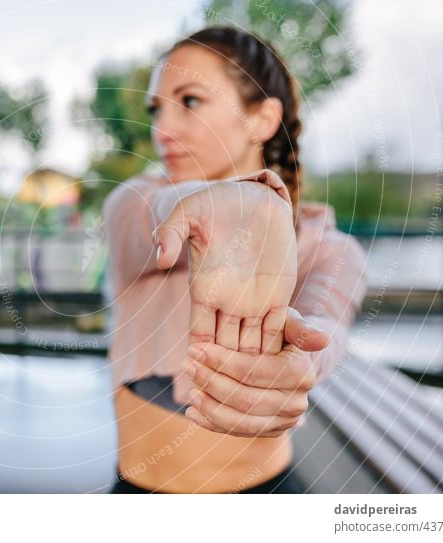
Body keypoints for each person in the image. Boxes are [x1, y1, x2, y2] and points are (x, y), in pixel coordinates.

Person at [102, 26, 367, 493]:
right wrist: (225, 202)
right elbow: (151, 215)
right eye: (156, 109)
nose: (162, 129)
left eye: (190, 100)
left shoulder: (330, 248)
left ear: (262, 119)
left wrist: (305, 363)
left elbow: (328, 326)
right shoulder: (138, 203)